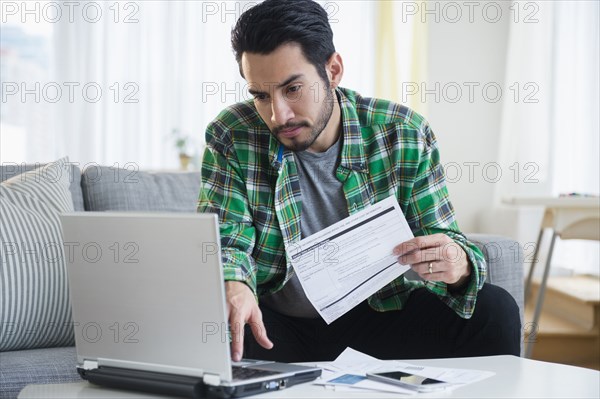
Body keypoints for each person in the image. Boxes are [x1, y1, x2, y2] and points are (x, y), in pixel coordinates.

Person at [198, 0, 520, 363]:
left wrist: (457, 264)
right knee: (206, 323)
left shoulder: (403, 133)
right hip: (277, 328)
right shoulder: (233, 134)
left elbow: (448, 239)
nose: (278, 115)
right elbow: (227, 240)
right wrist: (235, 285)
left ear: (332, 70)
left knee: (495, 309)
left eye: (292, 89)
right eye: (260, 95)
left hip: (379, 318)